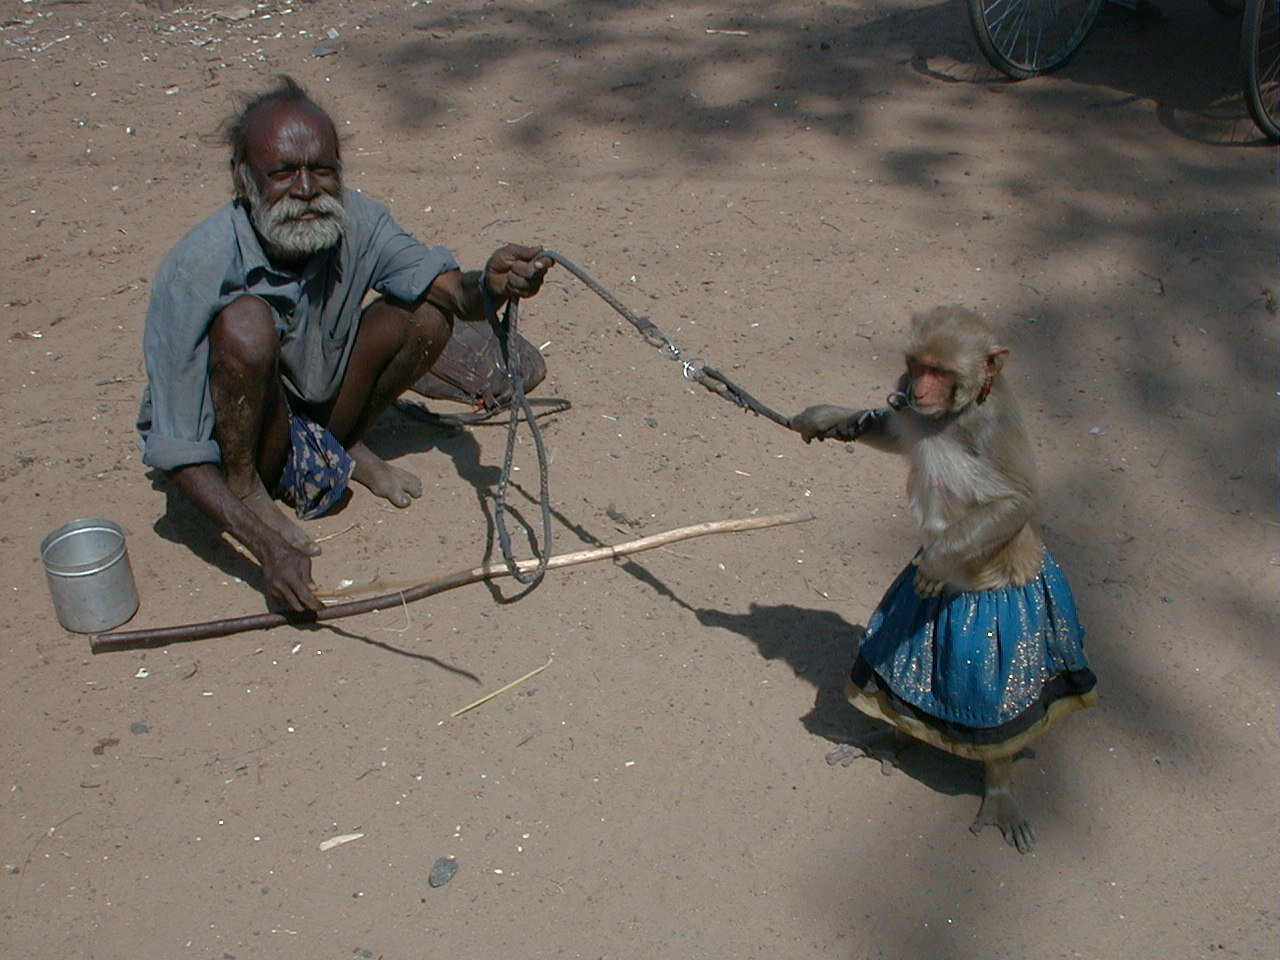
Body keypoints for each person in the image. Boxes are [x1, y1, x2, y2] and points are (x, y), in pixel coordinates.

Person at [137, 75, 552, 614]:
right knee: (246, 323)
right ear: (244, 180)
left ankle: (345, 441)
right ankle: (248, 490)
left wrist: (490, 286)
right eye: (283, 173)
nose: (307, 189)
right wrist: (267, 549)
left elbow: (451, 291)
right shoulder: (196, 268)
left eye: (323, 169)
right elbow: (175, 450)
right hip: (241, 441)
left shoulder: (358, 219)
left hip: (316, 402)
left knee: (425, 314)